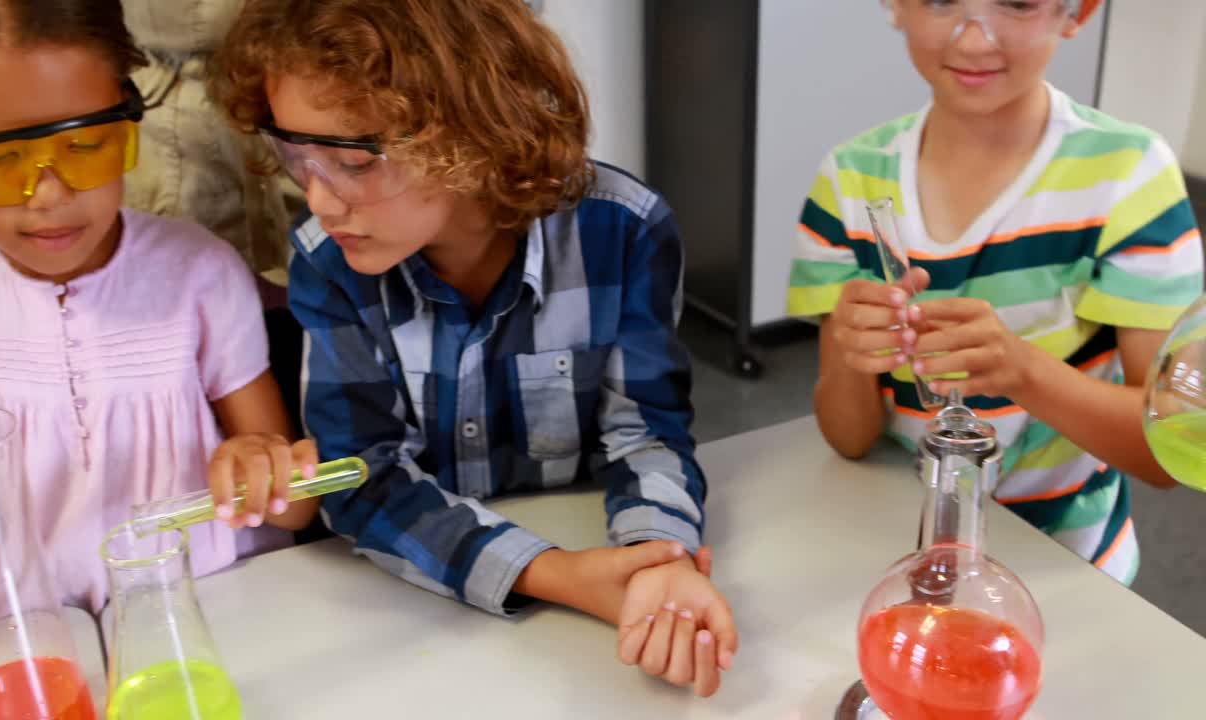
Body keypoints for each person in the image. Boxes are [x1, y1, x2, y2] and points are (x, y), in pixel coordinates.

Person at [210, 0, 738, 697]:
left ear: (472, 132)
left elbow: (646, 434)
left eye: (350, 161)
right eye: (295, 156)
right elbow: (360, 478)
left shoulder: (625, 230)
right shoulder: (327, 261)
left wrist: (655, 560)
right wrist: (558, 576)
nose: (321, 200)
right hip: (418, 630)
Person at [0, 0, 317, 629]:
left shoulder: (200, 272)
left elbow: (295, 511)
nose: (48, 197)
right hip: (31, 651)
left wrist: (264, 470)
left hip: (218, 622)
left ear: (132, 117)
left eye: (85, 146)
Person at [787, 0, 1203, 584]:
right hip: (911, 558)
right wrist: (858, 355)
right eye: (939, 1)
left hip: (1065, 564)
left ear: (1076, 12)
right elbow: (848, 435)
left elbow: (1167, 452)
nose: (975, 39)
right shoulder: (851, 180)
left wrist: (1022, 371)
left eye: (1017, 3)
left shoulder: (1130, 176)